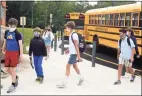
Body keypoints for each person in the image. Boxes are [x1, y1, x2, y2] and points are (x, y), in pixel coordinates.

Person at [56, 21, 84, 88]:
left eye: (67, 27)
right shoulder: (71, 34)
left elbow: (76, 46)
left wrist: (79, 57)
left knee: (67, 66)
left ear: (70, 27)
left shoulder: (74, 35)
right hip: (72, 53)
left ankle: (64, 83)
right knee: (74, 67)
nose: (66, 28)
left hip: (74, 54)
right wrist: (68, 50)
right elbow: (72, 45)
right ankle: (81, 78)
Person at [2, 18, 23, 93]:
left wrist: (21, 55)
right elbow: (5, 41)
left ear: (15, 25)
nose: (12, 26)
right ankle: (15, 77)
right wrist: (3, 48)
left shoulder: (18, 34)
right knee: (7, 69)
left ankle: (13, 85)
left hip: (15, 53)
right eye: (11, 25)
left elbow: (20, 45)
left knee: (12, 69)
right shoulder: (6, 32)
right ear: (9, 25)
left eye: (13, 25)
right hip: (8, 52)